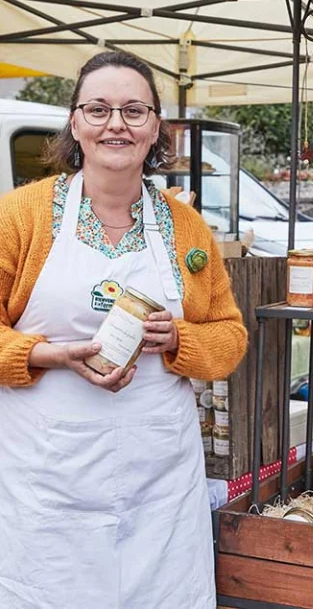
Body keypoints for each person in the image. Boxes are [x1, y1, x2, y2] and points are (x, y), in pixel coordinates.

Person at [0, 51, 247, 608]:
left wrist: (180, 339)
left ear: (156, 126)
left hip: (156, 482)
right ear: (75, 121)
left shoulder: (187, 229)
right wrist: (46, 355)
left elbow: (230, 337)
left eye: (135, 110)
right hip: (47, 479)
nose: (117, 123)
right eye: (99, 108)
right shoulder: (21, 217)